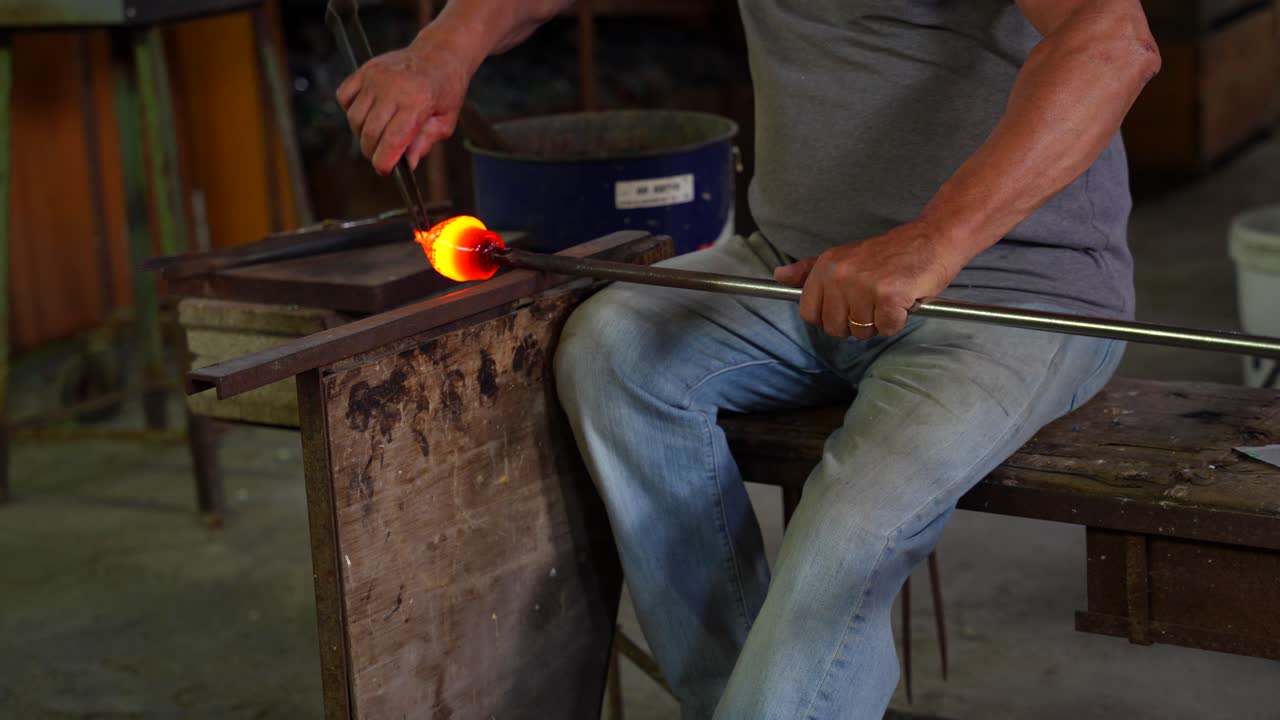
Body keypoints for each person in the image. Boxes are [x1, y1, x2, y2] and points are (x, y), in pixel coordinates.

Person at [338, 1, 1161, 717]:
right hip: (794, 267)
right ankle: (740, 701)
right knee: (614, 350)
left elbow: (1114, 40)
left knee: (850, 527)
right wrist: (444, 49)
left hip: (1012, 291)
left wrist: (929, 242)